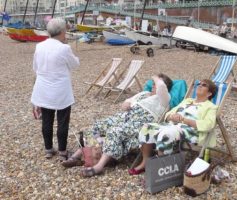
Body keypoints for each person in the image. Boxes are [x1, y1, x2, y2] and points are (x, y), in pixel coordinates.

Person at [62, 74, 173, 177]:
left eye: (155, 84)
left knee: (115, 131)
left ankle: (99, 166)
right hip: (124, 117)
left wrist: (155, 77)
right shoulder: (144, 94)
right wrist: (126, 104)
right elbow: (126, 102)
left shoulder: (164, 99)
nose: (153, 85)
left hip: (139, 123)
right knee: (97, 126)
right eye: (153, 84)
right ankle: (80, 153)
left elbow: (161, 86)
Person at [129, 79, 217, 175]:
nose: (199, 85)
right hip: (173, 125)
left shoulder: (211, 107)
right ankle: (144, 163)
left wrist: (184, 120)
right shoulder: (188, 101)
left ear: (209, 93)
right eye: (199, 84)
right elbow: (169, 113)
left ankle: (161, 170)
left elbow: (208, 124)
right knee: (147, 127)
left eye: (204, 85)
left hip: (190, 130)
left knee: (166, 134)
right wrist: (172, 116)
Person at [31, 18, 80, 161]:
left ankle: (48, 149)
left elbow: (36, 67)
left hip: (43, 89)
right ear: (62, 32)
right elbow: (74, 64)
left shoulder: (39, 46)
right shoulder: (64, 48)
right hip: (60, 91)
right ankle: (63, 151)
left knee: (47, 120)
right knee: (62, 121)